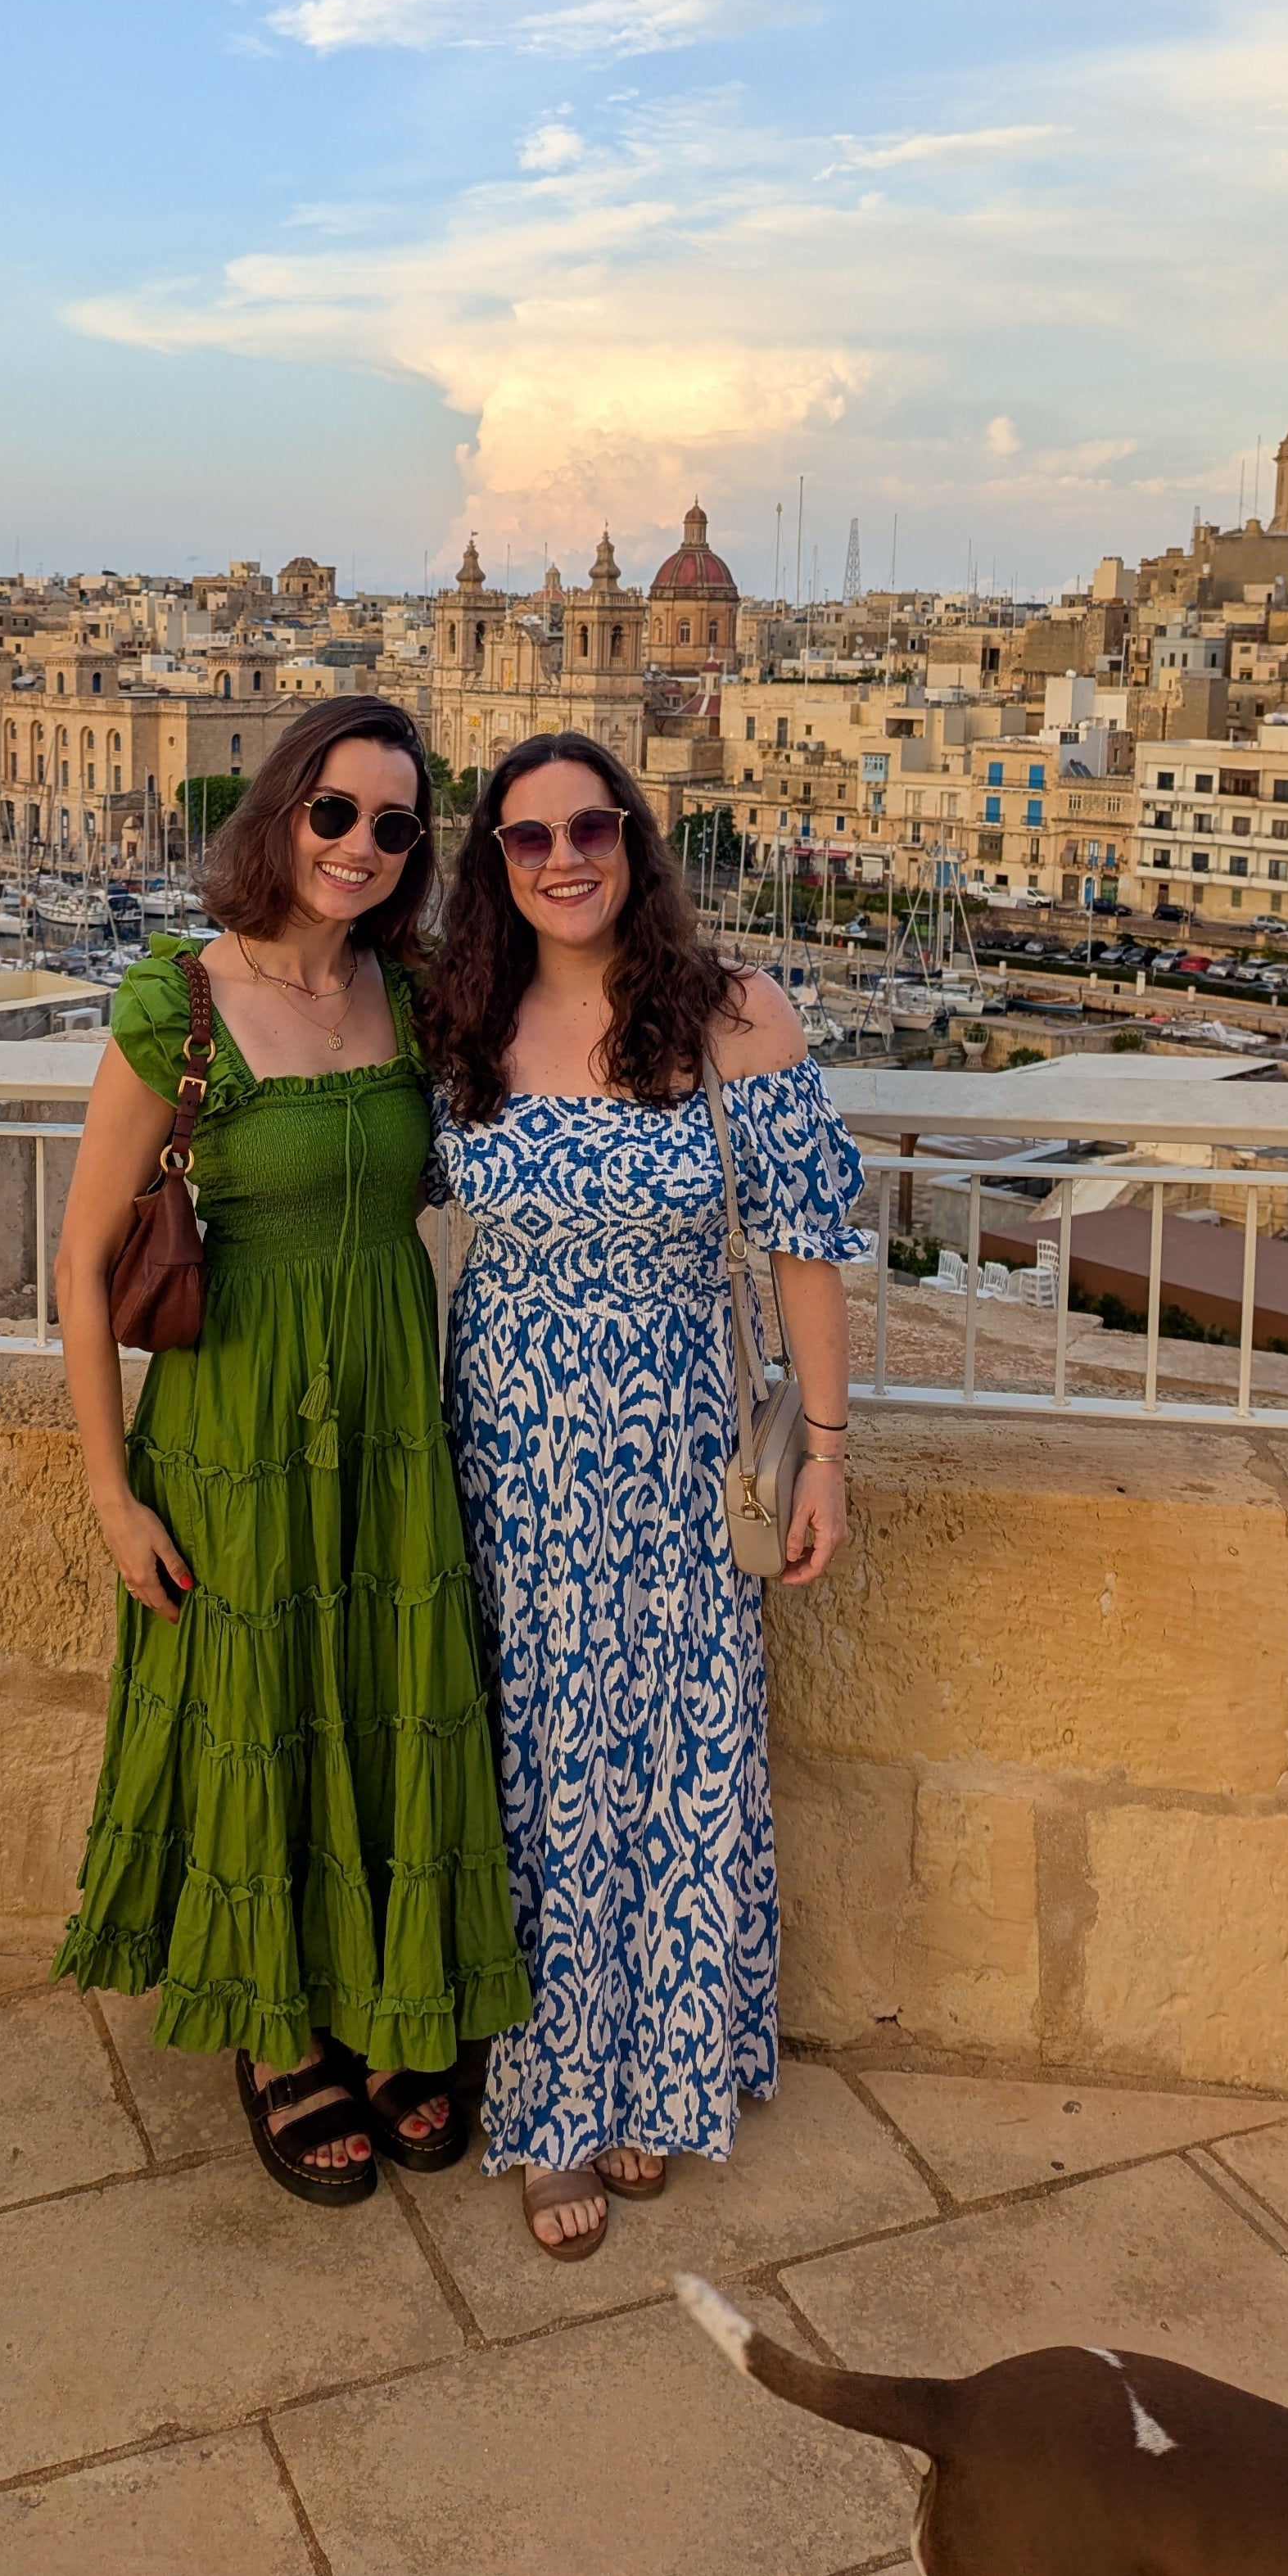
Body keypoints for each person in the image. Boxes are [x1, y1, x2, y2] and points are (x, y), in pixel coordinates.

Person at [52, 696, 530, 2205]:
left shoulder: (417, 996)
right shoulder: (176, 1007)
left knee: (384, 1704)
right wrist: (109, 1490)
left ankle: (390, 2006)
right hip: (234, 1423)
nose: (362, 847)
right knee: (261, 1696)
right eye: (336, 812)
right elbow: (76, 1264)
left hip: (391, 1413)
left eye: (395, 826)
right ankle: (274, 2031)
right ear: (282, 814)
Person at [423, 731, 868, 2259]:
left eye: (591, 829)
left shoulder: (734, 1015)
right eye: (528, 838)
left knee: (669, 1764)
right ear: (492, 861)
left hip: (678, 1461)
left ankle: (650, 2082)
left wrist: (824, 1448)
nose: (564, 860)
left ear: (635, 843)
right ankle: (550, 2105)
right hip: (508, 1460)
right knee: (539, 1774)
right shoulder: (457, 1022)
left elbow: (804, 1245)